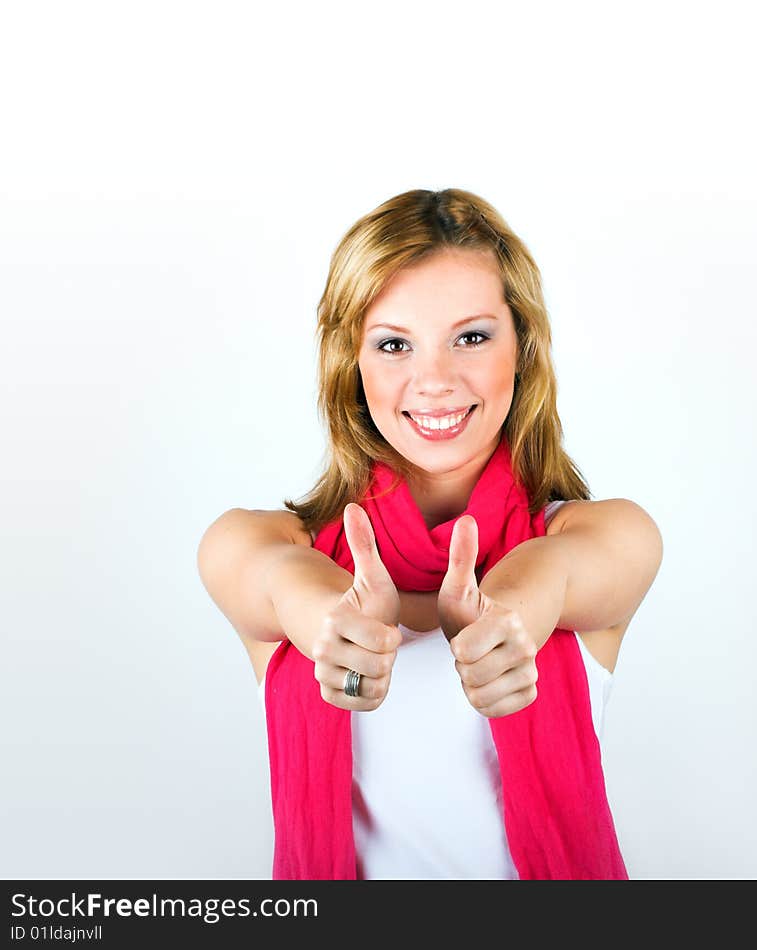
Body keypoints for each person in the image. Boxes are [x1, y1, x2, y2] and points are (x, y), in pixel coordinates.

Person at [197, 187, 663, 880]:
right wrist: (327, 620)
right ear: (350, 363)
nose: (436, 380)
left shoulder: (608, 534)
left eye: (471, 337)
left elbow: (557, 569)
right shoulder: (263, 545)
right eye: (393, 345)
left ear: (522, 346)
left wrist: (513, 614)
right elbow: (274, 581)